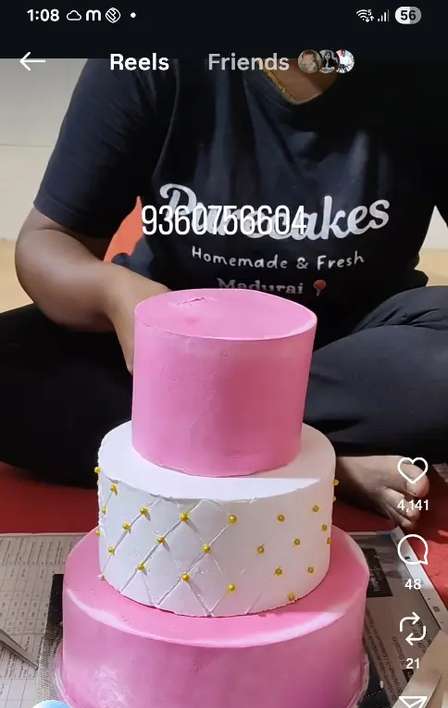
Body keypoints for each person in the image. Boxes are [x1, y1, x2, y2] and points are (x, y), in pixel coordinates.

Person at [1, 57, 447, 530]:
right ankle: (317, 462)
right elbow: (48, 241)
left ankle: (220, 450)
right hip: (173, 356)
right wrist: (117, 293)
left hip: (353, 353)